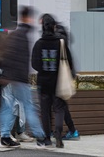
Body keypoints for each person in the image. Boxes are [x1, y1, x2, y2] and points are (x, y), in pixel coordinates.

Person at [0, 6, 46, 149]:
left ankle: (5, 137)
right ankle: (41, 137)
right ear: (27, 18)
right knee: (29, 107)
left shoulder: (13, 34)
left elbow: (4, 56)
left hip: (7, 79)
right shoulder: (24, 36)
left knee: (7, 107)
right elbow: (23, 61)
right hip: (19, 79)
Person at [32, 13, 76, 148]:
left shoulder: (39, 44)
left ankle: (46, 138)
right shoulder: (60, 42)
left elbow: (35, 64)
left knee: (45, 111)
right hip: (59, 82)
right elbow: (69, 62)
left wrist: (44, 70)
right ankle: (58, 134)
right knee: (59, 108)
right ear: (54, 27)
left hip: (44, 83)